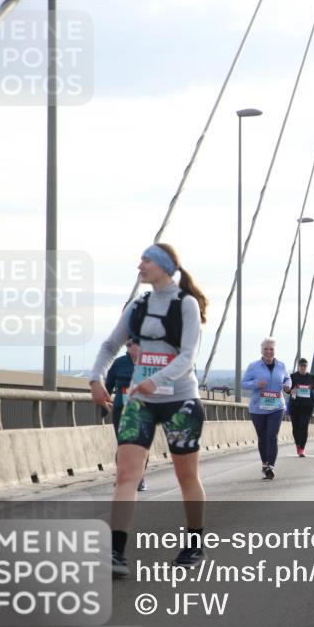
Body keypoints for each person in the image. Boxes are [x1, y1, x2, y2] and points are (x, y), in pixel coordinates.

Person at [90, 244, 208, 578]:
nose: (139, 264)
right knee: (126, 475)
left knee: (186, 476)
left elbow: (188, 356)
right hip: (140, 402)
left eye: (146, 260)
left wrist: (155, 381)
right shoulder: (138, 306)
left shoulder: (184, 304)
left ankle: (195, 542)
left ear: (164, 266)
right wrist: (95, 380)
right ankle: (115, 552)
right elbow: (109, 346)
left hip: (180, 401)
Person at [242, 338, 292, 480]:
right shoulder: (253, 366)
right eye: (266, 349)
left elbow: (287, 379)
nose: (269, 352)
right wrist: (257, 383)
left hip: (277, 407)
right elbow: (244, 383)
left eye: (271, 349)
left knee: (272, 436)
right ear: (261, 350)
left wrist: (288, 386)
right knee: (262, 438)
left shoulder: (281, 366)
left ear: (275, 351)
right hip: (258, 408)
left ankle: (271, 466)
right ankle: (265, 463)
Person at [105, 340, 149, 491]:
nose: (132, 347)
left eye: (135, 343)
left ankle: (140, 478)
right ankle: (122, 477)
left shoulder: (150, 363)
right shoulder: (119, 363)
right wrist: (103, 406)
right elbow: (108, 385)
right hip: (121, 410)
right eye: (129, 344)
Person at [289, 358, 314, 457]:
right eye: (301, 366)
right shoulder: (293, 376)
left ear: (307, 367)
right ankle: (298, 444)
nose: (303, 368)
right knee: (296, 427)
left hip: (307, 405)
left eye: (305, 366)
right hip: (295, 405)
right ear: (298, 366)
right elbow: (287, 388)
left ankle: (302, 448)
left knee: (304, 426)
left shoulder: (311, 377)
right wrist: (291, 390)